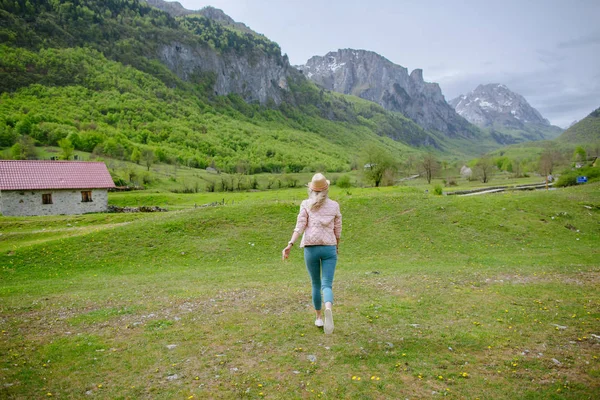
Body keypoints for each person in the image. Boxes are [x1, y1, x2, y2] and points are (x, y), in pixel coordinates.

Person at [282, 173, 342, 334]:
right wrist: (337, 245)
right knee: (327, 284)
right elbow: (338, 229)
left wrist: (290, 244)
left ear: (311, 190)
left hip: (311, 248)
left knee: (315, 284)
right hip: (329, 247)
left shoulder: (306, 204)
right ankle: (328, 307)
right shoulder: (334, 205)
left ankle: (319, 318)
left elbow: (300, 226)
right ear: (326, 189)